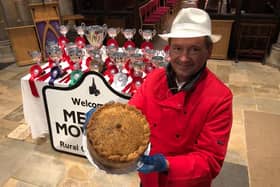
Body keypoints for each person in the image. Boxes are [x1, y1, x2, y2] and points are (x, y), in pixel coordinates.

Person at [128, 8, 233, 187]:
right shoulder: (154, 79)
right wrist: (106, 119)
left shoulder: (220, 97)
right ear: (169, 49)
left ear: (209, 50)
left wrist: (167, 164)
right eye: (177, 48)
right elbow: (131, 115)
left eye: (194, 50)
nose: (184, 58)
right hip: (148, 179)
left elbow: (210, 161)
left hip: (186, 182)